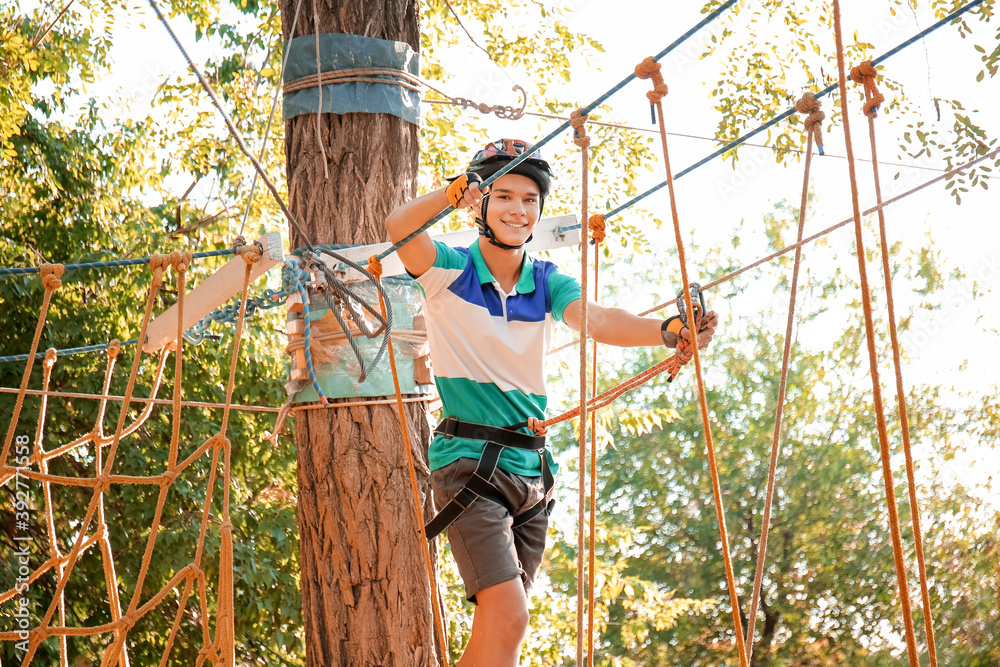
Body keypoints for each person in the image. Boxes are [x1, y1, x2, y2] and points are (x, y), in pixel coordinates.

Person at [385, 138, 718, 666]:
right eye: (505, 197)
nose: (519, 210)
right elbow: (400, 228)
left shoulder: (546, 282)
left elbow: (599, 319)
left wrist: (668, 330)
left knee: (503, 632)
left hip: (531, 472)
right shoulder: (450, 271)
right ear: (482, 205)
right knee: (510, 616)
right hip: (472, 465)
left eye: (530, 200)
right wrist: (451, 194)